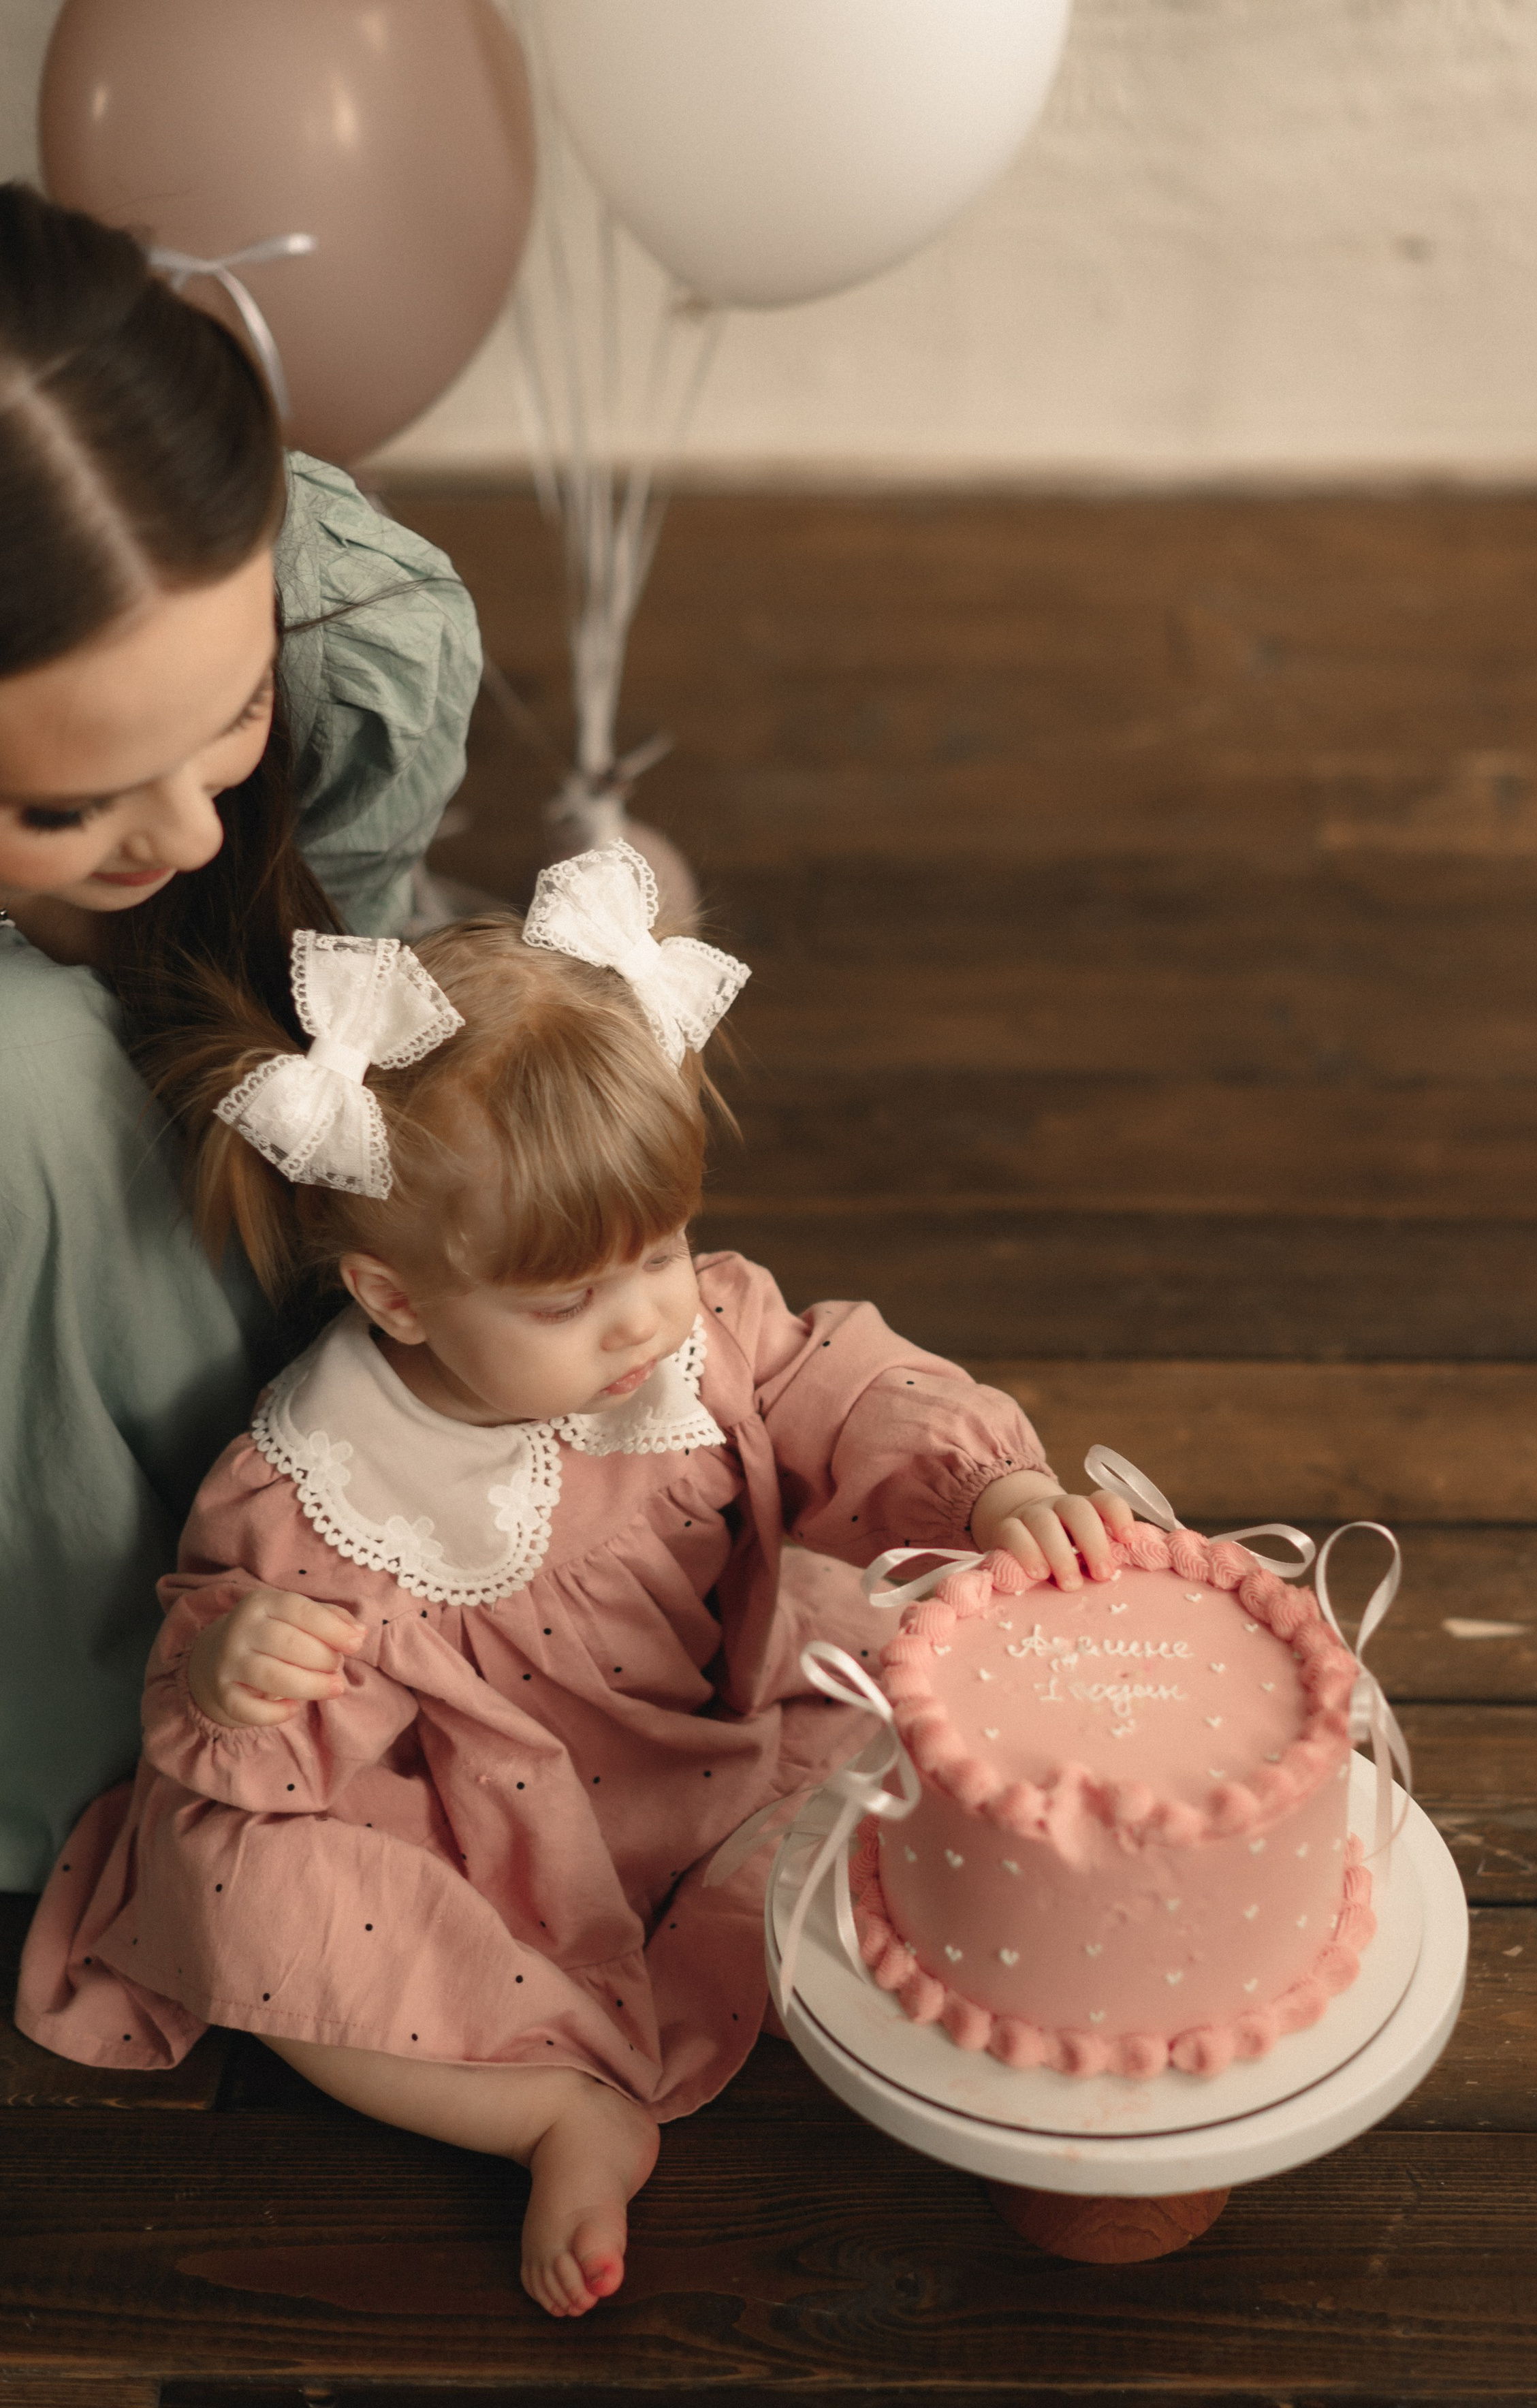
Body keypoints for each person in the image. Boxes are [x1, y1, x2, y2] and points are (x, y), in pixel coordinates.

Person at [18, 844, 1133, 2319]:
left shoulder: (693, 1335)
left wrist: (988, 1482)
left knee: (944, 1727)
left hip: (714, 1734)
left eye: (660, 1254)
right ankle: (543, 2105)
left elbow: (843, 1387)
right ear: (395, 1297)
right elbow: (237, 1674)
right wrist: (239, 1668)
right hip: (465, 1838)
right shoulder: (319, 1484)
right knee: (232, 1891)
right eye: (565, 1301)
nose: (639, 1320)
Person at [0, 183, 481, 1891]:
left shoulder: (349, 629)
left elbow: (342, 988)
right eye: (65, 803)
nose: (193, 841)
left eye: (232, 719)